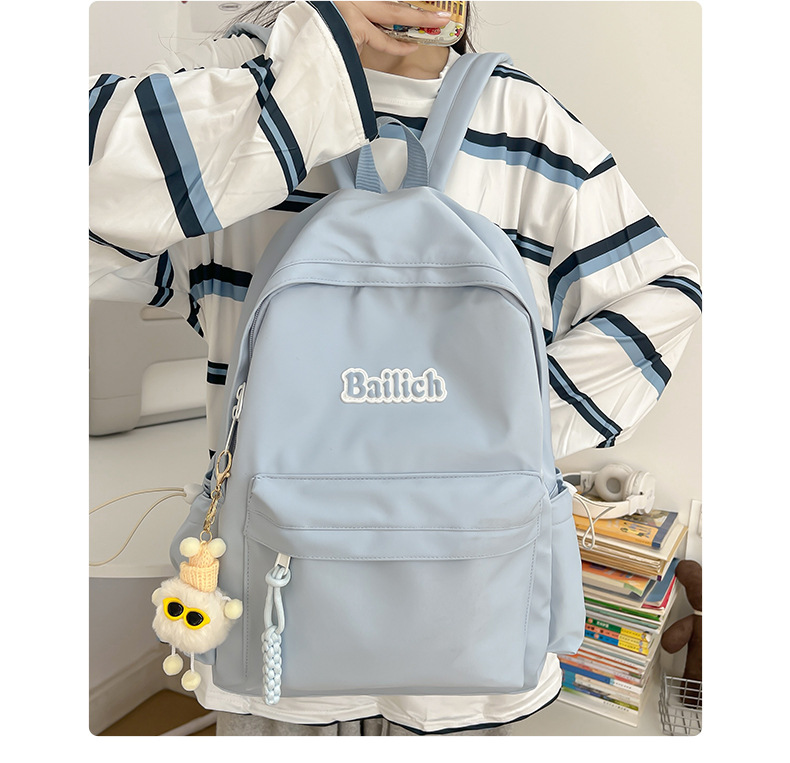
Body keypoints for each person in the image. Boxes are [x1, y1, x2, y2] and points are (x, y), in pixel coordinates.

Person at [89, 0, 701, 736]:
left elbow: (667, 298)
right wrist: (301, 77)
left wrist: (511, 427)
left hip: (401, 645)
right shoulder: (234, 96)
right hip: (395, 620)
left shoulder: (524, 121)